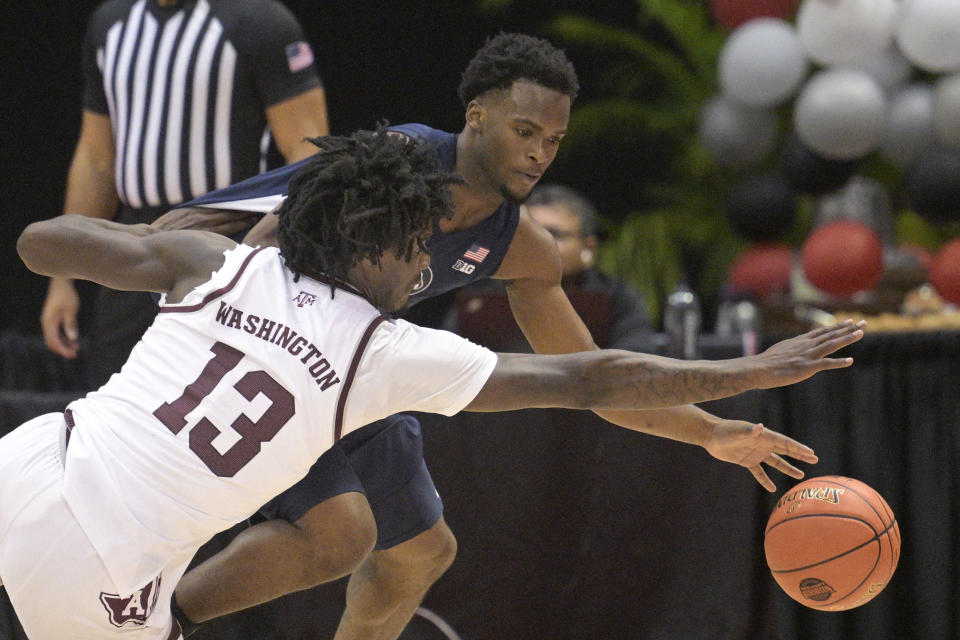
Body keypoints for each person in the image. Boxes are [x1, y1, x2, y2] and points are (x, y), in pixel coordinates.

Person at [2, 127, 862, 639]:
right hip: (102, 576)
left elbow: (41, 242)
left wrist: (147, 245)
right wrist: (747, 371)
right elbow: (591, 373)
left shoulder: (217, 263)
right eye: (417, 246)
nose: (426, 266)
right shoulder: (385, 353)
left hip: (28, 469)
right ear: (370, 247)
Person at [161, 33, 837, 640]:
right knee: (341, 533)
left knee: (420, 552)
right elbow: (256, 237)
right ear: (476, 118)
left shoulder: (523, 249)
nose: (540, 152)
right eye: (525, 131)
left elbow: (593, 378)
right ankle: (157, 627)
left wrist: (712, 433)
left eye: (553, 140)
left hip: (348, 368)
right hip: (248, 335)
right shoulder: (398, 163)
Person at [40, 0, 330, 389]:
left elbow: (307, 151)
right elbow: (96, 159)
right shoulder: (110, 24)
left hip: (227, 236)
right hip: (136, 237)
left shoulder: (259, 21)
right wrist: (64, 278)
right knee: (114, 395)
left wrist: (279, 249)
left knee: (215, 396)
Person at [449, 183, 654, 352]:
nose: (540, 244)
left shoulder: (616, 296)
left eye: (554, 234)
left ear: (588, 247)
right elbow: (449, 360)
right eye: (531, 233)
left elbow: (635, 359)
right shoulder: (483, 293)